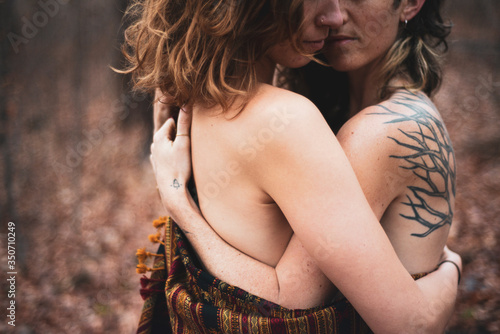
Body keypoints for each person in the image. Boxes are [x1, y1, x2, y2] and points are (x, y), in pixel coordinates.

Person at [123, 0, 461, 333]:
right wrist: (453, 267)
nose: (334, 16)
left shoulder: (188, 98)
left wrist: (180, 206)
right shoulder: (291, 117)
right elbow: (294, 300)